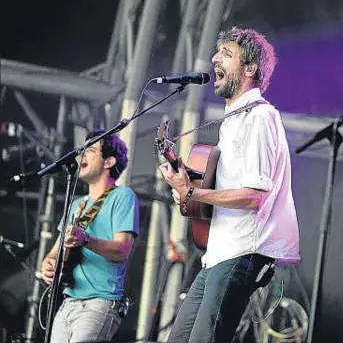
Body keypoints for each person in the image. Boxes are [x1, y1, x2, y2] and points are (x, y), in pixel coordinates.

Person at [159, 26, 301, 343]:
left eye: (226, 54)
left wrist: (193, 191)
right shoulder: (234, 120)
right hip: (218, 254)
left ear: (249, 69)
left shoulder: (260, 118)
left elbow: (254, 196)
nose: (214, 59)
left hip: (242, 252)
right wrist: (187, 188)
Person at [40, 130, 140, 343]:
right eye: (82, 151)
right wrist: (48, 265)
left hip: (99, 303)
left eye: (91, 150)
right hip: (68, 302)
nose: (81, 156)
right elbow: (54, 253)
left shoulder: (122, 196)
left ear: (108, 162)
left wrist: (85, 239)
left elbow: (122, 250)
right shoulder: (77, 205)